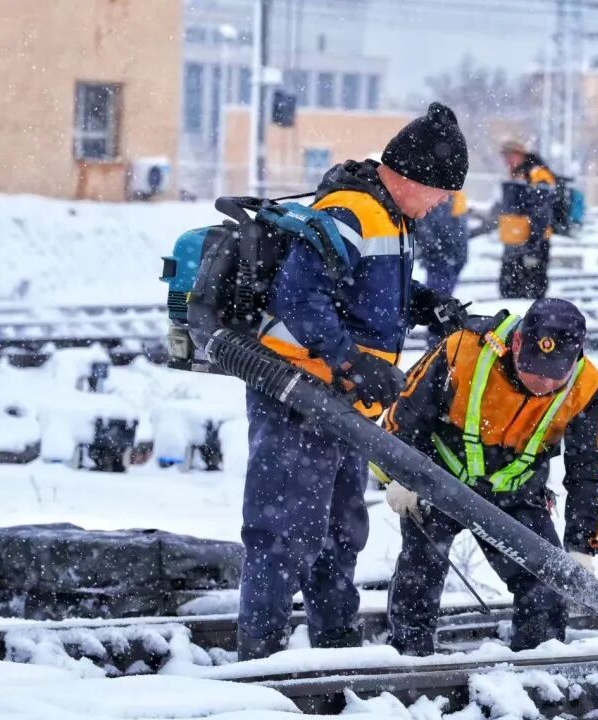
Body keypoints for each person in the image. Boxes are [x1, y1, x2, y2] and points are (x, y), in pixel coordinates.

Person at [239, 102, 470, 660]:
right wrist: (350, 360)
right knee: (282, 534)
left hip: (341, 404)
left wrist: (430, 307)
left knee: (340, 533)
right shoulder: (352, 211)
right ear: (413, 176)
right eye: (441, 192)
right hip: (297, 392)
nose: (442, 204)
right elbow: (296, 294)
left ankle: (335, 645)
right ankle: (259, 657)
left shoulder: (391, 219)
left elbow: (368, 296)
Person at [382, 298, 598, 656]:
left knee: (545, 586)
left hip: (517, 493)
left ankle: (537, 670)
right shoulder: (465, 348)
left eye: (555, 374)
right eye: (535, 368)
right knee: (420, 575)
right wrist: (400, 476)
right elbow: (406, 410)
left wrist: (583, 546)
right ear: (517, 343)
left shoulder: (585, 384)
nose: (542, 381)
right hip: (440, 481)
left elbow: (590, 468)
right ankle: (410, 662)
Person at [497, 140, 556, 299]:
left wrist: (533, 245)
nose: (507, 161)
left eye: (510, 156)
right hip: (514, 242)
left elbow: (541, 212)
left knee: (530, 292)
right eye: (505, 157)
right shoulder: (518, 174)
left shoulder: (537, 174)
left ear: (521, 155)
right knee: (510, 291)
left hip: (532, 243)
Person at [414, 190, 469, 347]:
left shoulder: (453, 195)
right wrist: (434, 250)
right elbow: (424, 226)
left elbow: (459, 227)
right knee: (438, 305)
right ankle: (437, 342)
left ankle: (439, 341)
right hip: (441, 259)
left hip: (452, 258)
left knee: (442, 303)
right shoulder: (436, 196)